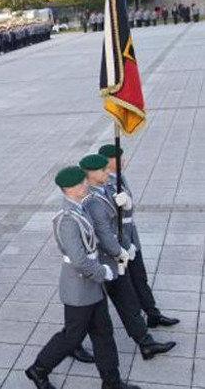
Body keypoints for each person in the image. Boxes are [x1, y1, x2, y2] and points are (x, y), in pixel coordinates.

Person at [26, 166, 138, 389]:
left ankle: (111, 382)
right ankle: (38, 369)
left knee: (103, 332)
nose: (86, 185)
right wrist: (102, 272)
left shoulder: (81, 207)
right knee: (72, 336)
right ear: (69, 189)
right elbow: (79, 260)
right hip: (79, 287)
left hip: (92, 286)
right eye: (81, 184)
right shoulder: (67, 219)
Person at [79, 154, 175, 360]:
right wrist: (121, 251)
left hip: (114, 257)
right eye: (103, 170)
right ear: (92, 174)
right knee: (87, 312)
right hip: (105, 261)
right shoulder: (93, 200)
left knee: (126, 301)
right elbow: (104, 232)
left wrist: (127, 207)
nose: (108, 172)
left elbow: (118, 221)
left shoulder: (103, 190)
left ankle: (145, 343)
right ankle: (69, 344)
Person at [97, 144, 179, 328]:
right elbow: (108, 220)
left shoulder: (119, 177)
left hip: (130, 235)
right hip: (118, 240)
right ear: (108, 161)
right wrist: (124, 244)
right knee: (109, 289)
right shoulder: (106, 184)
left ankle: (152, 313)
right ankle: (73, 336)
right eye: (118, 158)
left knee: (139, 277)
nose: (123, 160)